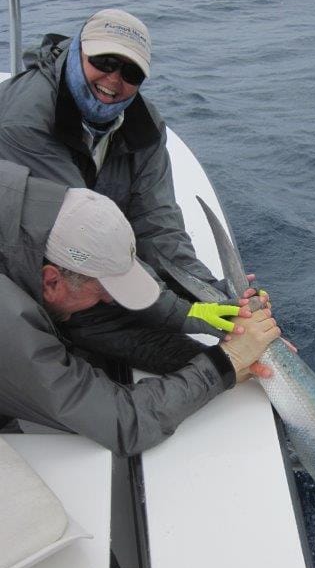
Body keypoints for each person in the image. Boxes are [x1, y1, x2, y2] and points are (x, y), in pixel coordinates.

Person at [0, 7, 262, 370]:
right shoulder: (24, 120)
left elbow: (158, 223)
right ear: (78, 50)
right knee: (198, 360)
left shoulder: (144, 125)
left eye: (131, 72)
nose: (114, 79)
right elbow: (83, 239)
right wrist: (186, 313)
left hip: (91, 254)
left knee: (204, 341)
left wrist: (214, 294)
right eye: (104, 61)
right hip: (30, 260)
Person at [0, 160, 280, 455]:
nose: (109, 302)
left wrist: (199, 303)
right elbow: (122, 421)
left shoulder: (31, 204)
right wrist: (225, 363)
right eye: (104, 292)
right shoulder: (8, 319)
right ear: (52, 281)